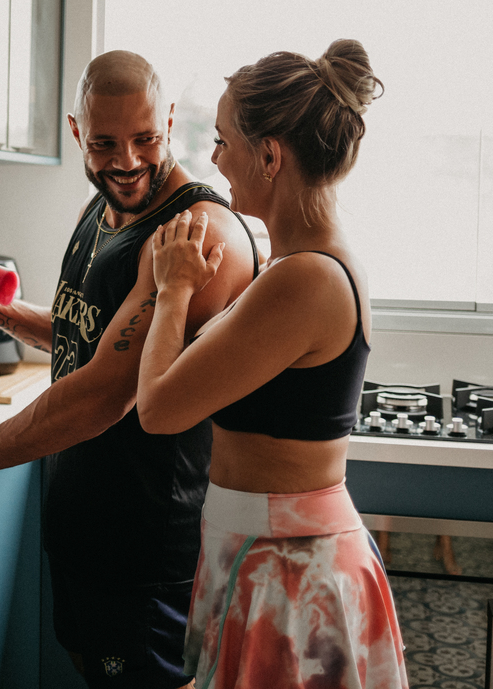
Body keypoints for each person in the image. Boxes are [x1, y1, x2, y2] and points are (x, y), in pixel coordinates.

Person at [0, 50, 260, 688]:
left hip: (146, 545)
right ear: (77, 131)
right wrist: (1, 314)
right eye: (105, 143)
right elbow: (92, 340)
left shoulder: (197, 232)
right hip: (86, 527)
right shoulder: (102, 205)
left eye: (146, 139)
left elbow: (104, 394)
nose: (128, 161)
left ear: (169, 120)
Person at [135, 40, 408, 688]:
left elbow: (159, 409)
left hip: (288, 572)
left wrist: (171, 286)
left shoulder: (305, 279)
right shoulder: (292, 267)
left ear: (269, 155)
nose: (215, 157)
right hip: (265, 557)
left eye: (225, 140)